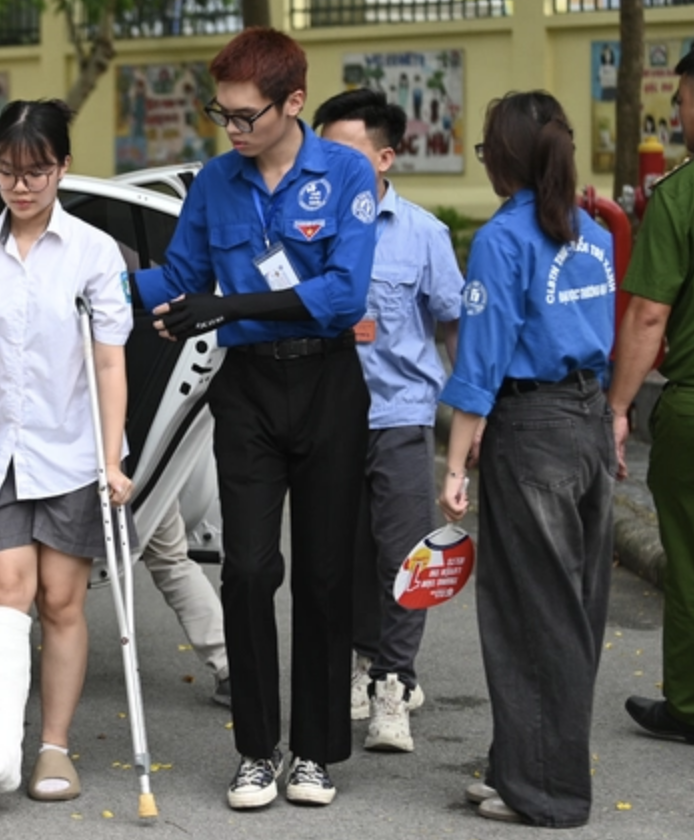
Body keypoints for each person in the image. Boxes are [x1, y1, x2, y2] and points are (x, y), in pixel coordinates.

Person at [129, 27, 377, 810]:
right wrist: (96, 274)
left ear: (293, 102)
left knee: (325, 573)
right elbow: (181, 277)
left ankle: (315, 753)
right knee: (245, 569)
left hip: (328, 382)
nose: (232, 129)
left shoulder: (345, 173)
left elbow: (343, 295)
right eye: (222, 114)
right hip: (248, 391)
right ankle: (255, 752)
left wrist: (227, 306)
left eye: (246, 116)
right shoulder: (215, 182)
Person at [0, 98, 135, 802]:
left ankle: (53, 748)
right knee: (5, 589)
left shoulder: (94, 252)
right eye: (7, 172)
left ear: (63, 167)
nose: (20, 186)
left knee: (62, 600)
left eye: (36, 171)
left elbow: (109, 361)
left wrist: (112, 460)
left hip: (71, 450)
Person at [437, 91, 615, 827]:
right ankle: (521, 768)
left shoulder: (503, 239)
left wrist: (453, 468)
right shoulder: (592, 232)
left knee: (527, 613)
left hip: (532, 428)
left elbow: (479, 364)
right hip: (588, 423)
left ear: (503, 158)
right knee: (572, 610)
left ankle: (546, 791)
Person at [311, 88, 463, 753]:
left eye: (343, 153)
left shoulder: (423, 234)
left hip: (400, 417)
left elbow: (454, 326)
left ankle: (394, 685)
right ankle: (361, 661)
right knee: (339, 557)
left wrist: (469, 421)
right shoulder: (308, 232)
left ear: (383, 158)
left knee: (404, 558)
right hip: (328, 420)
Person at [607, 39, 694, 751]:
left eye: (682, 102)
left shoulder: (685, 192)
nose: (678, 115)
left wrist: (618, 408)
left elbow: (648, 316)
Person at [0, 498, 232, 706]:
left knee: (5, 549)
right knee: (173, 562)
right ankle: (230, 668)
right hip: (145, 468)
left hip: (79, 477)